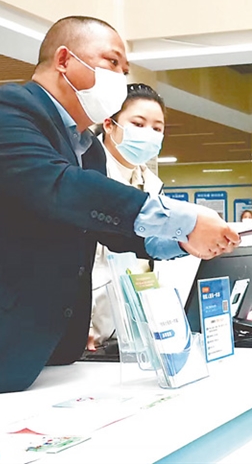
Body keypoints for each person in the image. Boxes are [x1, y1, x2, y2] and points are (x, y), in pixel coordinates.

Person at [0, 16, 240, 395]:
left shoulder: (89, 150)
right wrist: (184, 219)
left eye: (124, 70)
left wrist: (181, 241)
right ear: (65, 60)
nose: (120, 78)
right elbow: (62, 188)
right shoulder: (1, 111)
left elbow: (107, 228)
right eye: (112, 62)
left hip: (42, 351)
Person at [87, 83, 167, 351]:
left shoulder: (152, 185)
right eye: (138, 124)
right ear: (109, 125)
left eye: (157, 128)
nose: (149, 134)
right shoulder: (85, 175)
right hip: (88, 332)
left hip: (133, 331)